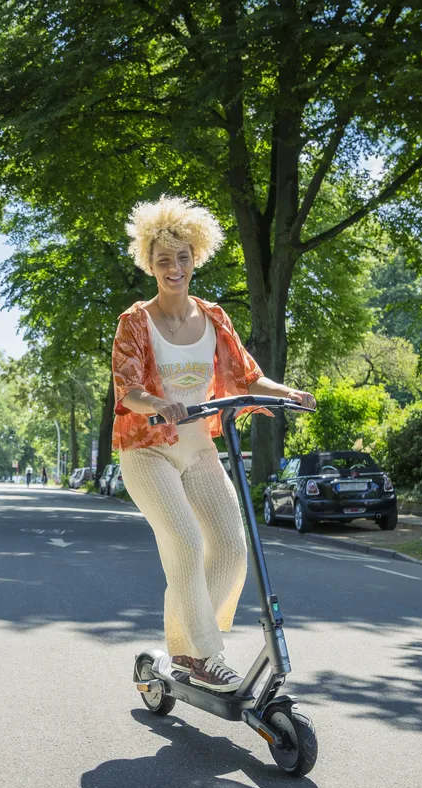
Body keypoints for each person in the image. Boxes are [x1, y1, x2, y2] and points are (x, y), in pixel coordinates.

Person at [112, 195, 315, 692]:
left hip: (199, 448)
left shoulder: (215, 317)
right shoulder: (135, 321)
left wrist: (287, 393)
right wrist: (157, 402)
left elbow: (248, 375)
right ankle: (204, 655)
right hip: (147, 451)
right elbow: (127, 388)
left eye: (183, 257)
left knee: (230, 547)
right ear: (149, 262)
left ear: (196, 257)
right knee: (185, 542)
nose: (174, 268)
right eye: (163, 259)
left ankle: (183, 644)